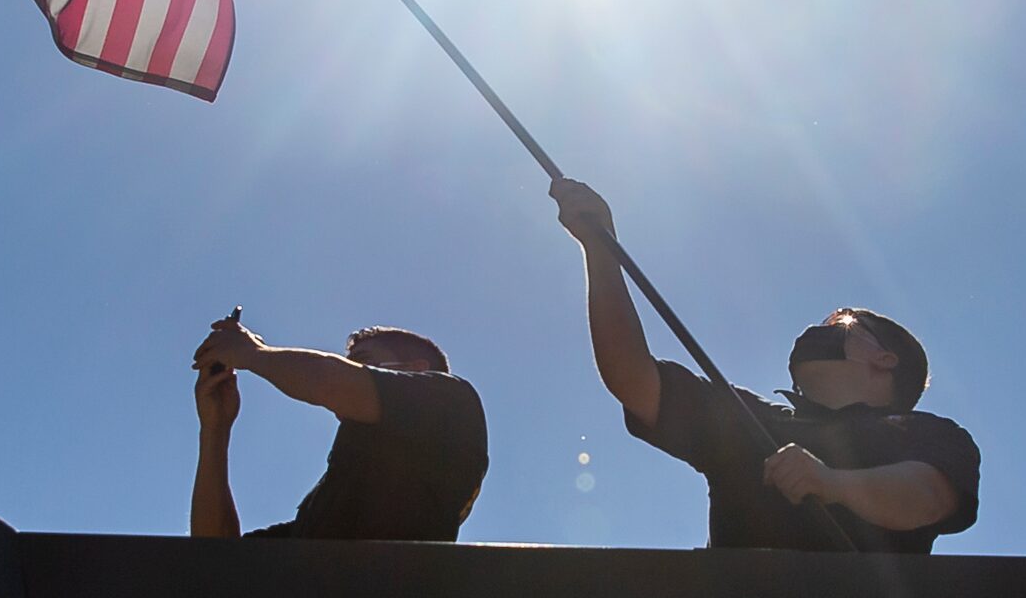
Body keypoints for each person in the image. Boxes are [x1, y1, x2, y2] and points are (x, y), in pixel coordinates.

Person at [549, 177, 978, 551]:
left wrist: (830, 483)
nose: (820, 328)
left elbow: (929, 496)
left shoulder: (929, 433)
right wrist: (601, 248)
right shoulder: (748, 418)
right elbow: (632, 378)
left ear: (885, 358)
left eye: (843, 324)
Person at [189, 316, 488, 540]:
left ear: (416, 371)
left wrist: (253, 353)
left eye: (362, 363)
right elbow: (218, 562)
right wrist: (215, 429)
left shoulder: (452, 403)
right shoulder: (325, 506)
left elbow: (332, 382)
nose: (352, 371)